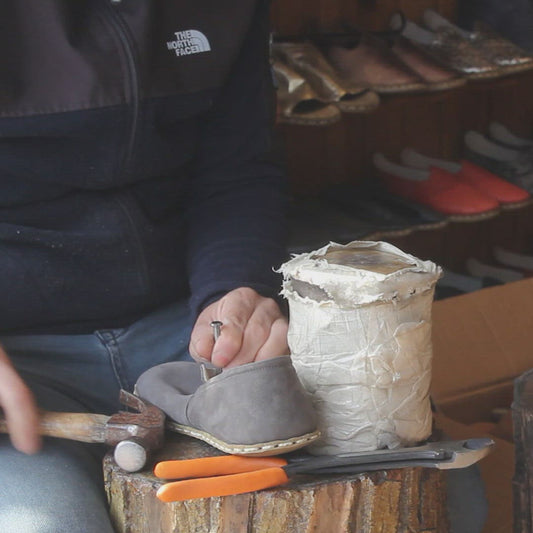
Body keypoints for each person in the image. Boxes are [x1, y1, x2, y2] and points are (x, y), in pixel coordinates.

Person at [0, 1, 289, 531]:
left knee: (443, 487)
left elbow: (236, 169)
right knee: (49, 525)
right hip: (18, 358)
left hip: (182, 328)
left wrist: (237, 286)